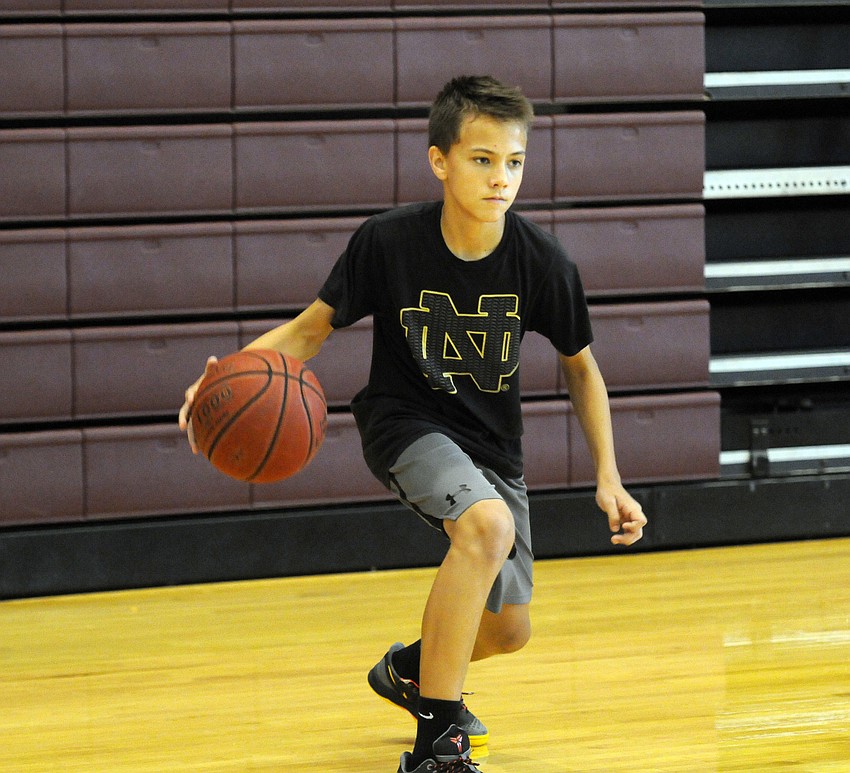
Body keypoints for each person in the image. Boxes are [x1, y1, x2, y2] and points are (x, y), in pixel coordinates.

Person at [179, 75, 647, 773]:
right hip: (406, 423)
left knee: (510, 629)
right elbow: (310, 332)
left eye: (514, 162)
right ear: (440, 160)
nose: (500, 178)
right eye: (482, 159)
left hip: (493, 444)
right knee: (488, 527)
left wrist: (609, 474)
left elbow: (582, 368)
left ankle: (409, 671)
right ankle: (438, 745)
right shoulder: (389, 243)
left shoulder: (542, 261)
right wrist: (223, 379)